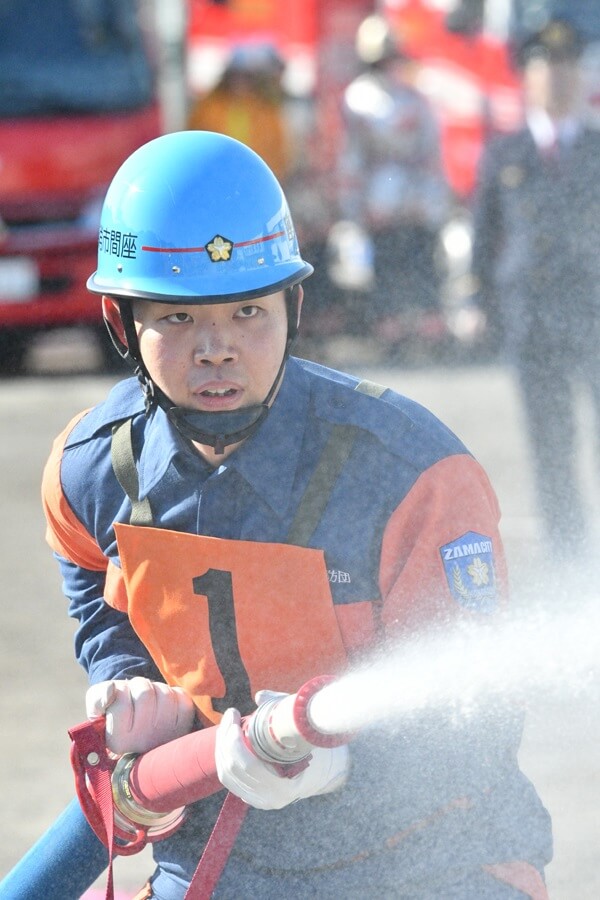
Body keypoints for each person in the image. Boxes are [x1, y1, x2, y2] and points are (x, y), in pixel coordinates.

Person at [0, 130, 551, 899]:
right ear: (121, 324)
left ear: (295, 306)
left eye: (248, 312)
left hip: (433, 860)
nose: (218, 349)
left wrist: (340, 763)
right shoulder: (89, 471)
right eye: (178, 319)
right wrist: (124, 679)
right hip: (221, 860)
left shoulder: (414, 474)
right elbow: (95, 588)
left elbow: (477, 709)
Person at [471, 18, 600, 564]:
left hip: (593, 312)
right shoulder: (506, 154)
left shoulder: (595, 148)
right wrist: (485, 308)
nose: (557, 78)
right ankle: (569, 556)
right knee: (550, 443)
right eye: (545, 67)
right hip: (534, 319)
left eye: (567, 66)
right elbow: (484, 239)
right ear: (527, 77)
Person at [336, 14, 451, 352]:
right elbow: (351, 155)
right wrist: (352, 203)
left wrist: (436, 195)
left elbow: (431, 148)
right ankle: (391, 329)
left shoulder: (413, 97)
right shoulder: (356, 99)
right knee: (386, 262)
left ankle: (429, 329)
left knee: (424, 256)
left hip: (415, 189)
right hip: (379, 189)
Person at [187, 43, 292, 184]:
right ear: (228, 77)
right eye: (236, 76)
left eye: (247, 77)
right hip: (215, 180)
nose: (241, 83)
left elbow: (279, 154)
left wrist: (270, 179)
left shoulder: (267, 112)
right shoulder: (208, 108)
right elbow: (192, 146)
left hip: (255, 182)